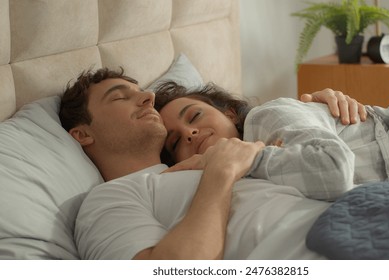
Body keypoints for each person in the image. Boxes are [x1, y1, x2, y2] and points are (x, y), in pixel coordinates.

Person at [59, 67, 365, 260]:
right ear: (82, 133)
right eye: (119, 98)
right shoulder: (108, 199)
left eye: (142, 93)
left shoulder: (225, 146)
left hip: (362, 210)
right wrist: (222, 172)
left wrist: (324, 115)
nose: (148, 97)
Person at [154, 78, 389, 201]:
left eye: (194, 117)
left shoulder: (265, 118)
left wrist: (242, 159)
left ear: (231, 113)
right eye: (175, 142)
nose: (190, 133)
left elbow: (333, 170)